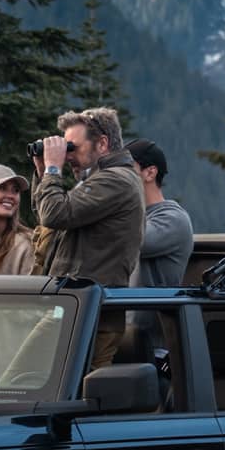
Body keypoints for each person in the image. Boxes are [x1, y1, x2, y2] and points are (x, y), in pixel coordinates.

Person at [33, 107, 145, 367]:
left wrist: (52, 169)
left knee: (31, 382)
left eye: (72, 147)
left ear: (103, 143)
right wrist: (43, 174)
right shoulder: (103, 180)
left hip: (90, 315)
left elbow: (54, 214)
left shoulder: (116, 181)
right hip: (74, 310)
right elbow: (49, 218)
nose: (67, 156)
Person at [125, 138, 194, 287]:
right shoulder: (134, 217)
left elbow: (124, 241)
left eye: (127, 170)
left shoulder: (173, 220)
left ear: (150, 173)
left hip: (149, 310)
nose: (118, 178)